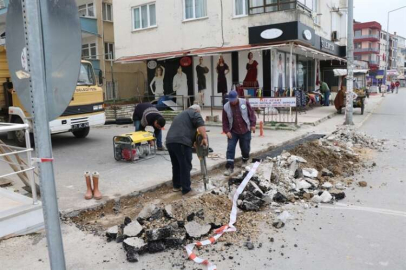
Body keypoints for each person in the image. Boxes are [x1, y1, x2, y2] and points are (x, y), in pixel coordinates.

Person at [166, 105, 208, 195]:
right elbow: (201, 125)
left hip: (170, 141)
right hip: (181, 142)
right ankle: (186, 189)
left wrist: (193, 141)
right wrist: (204, 138)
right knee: (185, 165)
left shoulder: (181, 114)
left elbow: (185, 129)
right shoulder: (194, 113)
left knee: (176, 164)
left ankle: (176, 186)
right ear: (197, 111)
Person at [222, 90, 256, 176]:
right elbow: (224, 121)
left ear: (237, 97)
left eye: (234, 99)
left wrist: (253, 124)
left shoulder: (244, 102)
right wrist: (227, 131)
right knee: (230, 148)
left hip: (245, 130)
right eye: (231, 100)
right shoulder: (226, 107)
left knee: (245, 147)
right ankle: (229, 167)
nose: (232, 102)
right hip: (233, 131)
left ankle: (245, 160)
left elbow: (251, 114)